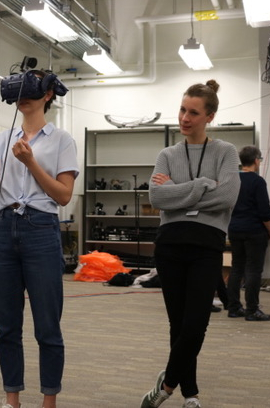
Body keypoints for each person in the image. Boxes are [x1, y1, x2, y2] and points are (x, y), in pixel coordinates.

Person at [0, 70, 78, 408]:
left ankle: (48, 401)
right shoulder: (2, 138)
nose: (22, 99)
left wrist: (30, 162)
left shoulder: (62, 140)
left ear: (47, 96)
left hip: (41, 229)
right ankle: (11, 398)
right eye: (18, 95)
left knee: (47, 325)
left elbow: (63, 196)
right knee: (7, 326)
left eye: (31, 93)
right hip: (3, 228)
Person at [142, 80, 240, 408]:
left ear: (209, 116)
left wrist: (179, 191)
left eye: (193, 112)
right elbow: (157, 197)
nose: (185, 117)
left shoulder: (225, 151)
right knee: (178, 323)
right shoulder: (167, 154)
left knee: (197, 322)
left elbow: (227, 195)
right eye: (182, 109)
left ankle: (167, 384)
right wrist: (200, 186)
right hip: (170, 244)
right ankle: (190, 394)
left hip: (206, 244)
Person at [226, 145, 270, 321]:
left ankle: (234, 308)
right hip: (254, 231)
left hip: (235, 229)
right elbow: (265, 213)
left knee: (237, 268)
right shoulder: (258, 182)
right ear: (256, 160)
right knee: (253, 270)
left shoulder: (233, 179)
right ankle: (252, 310)